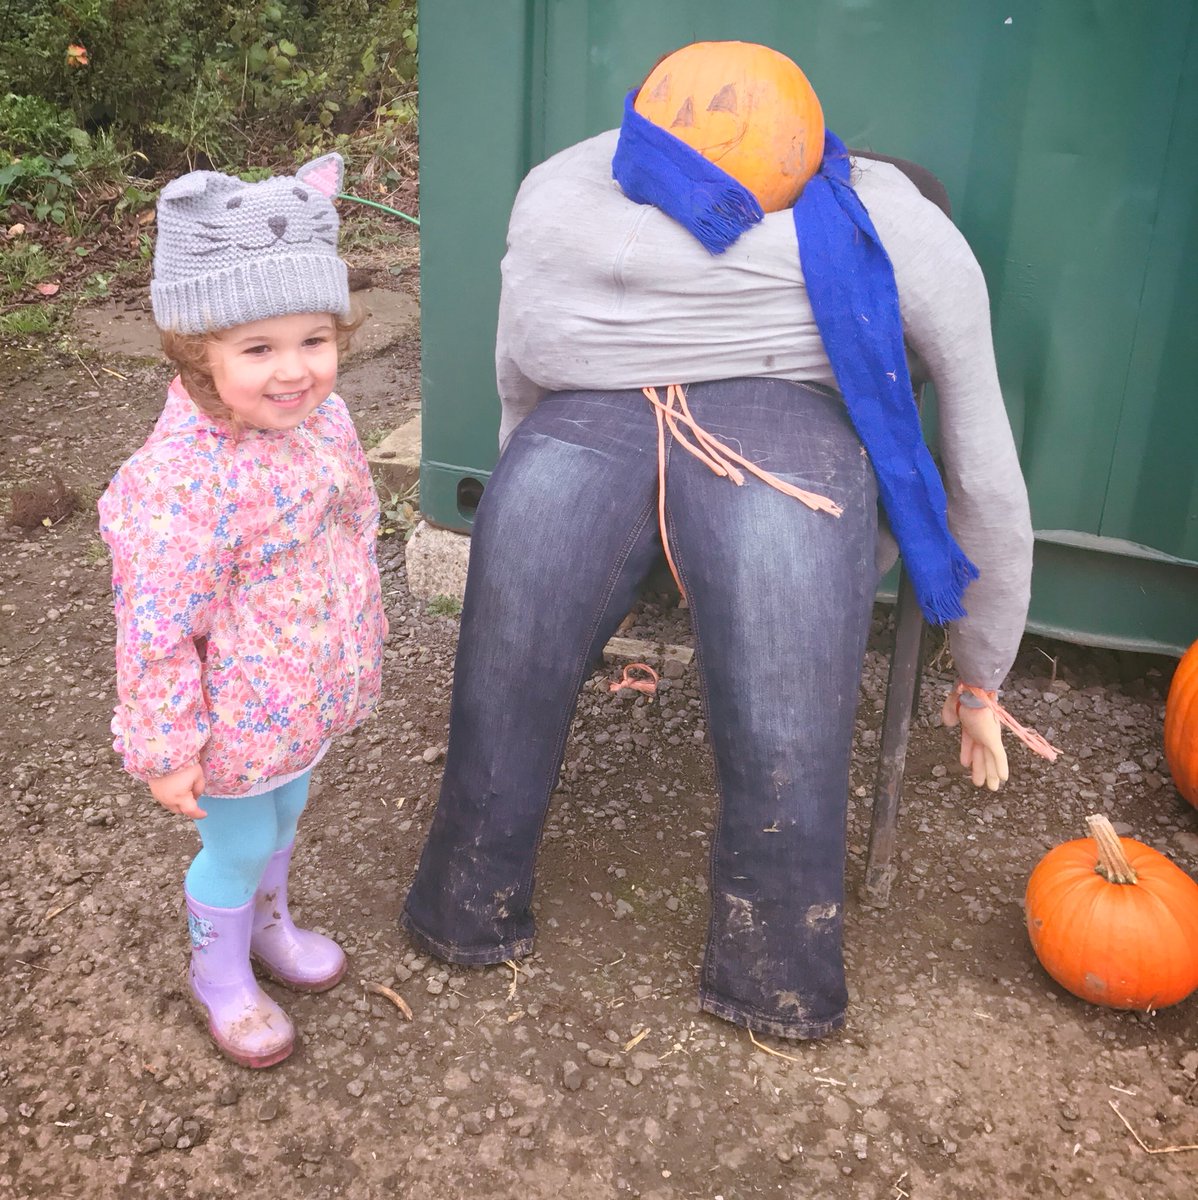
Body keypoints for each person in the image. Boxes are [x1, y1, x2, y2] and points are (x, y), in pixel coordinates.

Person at [402, 42, 1054, 1040]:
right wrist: (980, 681)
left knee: (530, 630)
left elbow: (520, 369)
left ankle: (466, 903)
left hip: (691, 417)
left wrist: (514, 478)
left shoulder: (566, 204)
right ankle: (773, 967)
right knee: (748, 675)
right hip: (666, 423)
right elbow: (982, 475)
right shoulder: (890, 241)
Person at [99, 153, 386, 1068]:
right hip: (229, 717)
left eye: (314, 339)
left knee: (287, 815)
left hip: (297, 696)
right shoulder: (182, 485)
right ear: (197, 353)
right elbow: (154, 628)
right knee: (240, 836)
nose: (294, 370)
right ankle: (218, 972)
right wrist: (166, 746)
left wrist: (361, 631)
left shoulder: (324, 423)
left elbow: (353, 529)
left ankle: (272, 927)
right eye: (257, 349)